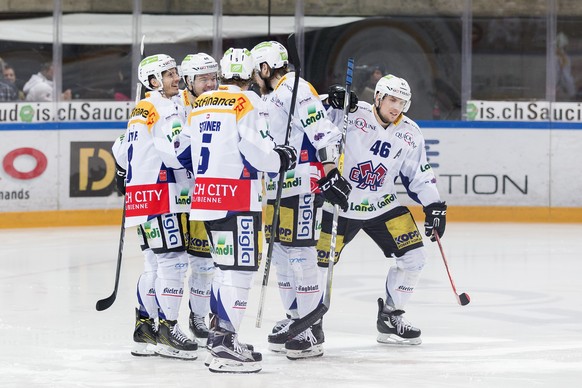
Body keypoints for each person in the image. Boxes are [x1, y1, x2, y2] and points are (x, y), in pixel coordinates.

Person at [175, 47, 297, 373]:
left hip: (205, 199)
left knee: (224, 269)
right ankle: (224, 343)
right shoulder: (247, 101)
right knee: (239, 272)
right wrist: (282, 158)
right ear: (249, 75)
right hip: (237, 198)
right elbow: (256, 151)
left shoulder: (200, 104)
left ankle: (220, 336)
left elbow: (181, 154)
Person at [316, 74, 447, 345]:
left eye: (402, 102)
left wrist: (433, 204)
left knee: (415, 257)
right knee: (319, 265)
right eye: (391, 99)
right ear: (377, 97)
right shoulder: (352, 112)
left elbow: (419, 174)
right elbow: (312, 118)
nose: (396, 107)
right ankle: (310, 320)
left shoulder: (410, 132)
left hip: (382, 205)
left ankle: (391, 316)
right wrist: (330, 99)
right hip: (339, 205)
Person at [251, 41, 351, 360]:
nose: (255, 77)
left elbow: (322, 131)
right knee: (280, 252)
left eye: (257, 71)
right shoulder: (276, 94)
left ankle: (312, 327)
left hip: (303, 184)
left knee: (301, 253)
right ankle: (296, 318)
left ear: (266, 68)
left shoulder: (295, 87)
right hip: (279, 185)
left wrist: (331, 171)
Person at [114, 53, 198, 360]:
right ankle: (168, 331)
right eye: (170, 74)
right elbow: (176, 155)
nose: (177, 78)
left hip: (141, 196)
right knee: (173, 264)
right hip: (162, 195)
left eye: (176, 72)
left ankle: (144, 329)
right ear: (153, 81)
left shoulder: (141, 108)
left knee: (154, 264)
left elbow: (121, 153)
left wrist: (123, 173)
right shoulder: (163, 109)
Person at [173, 52, 219, 341]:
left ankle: (198, 316)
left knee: (204, 263)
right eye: (203, 78)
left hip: (204, 198)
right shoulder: (174, 105)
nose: (211, 83)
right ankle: (163, 321)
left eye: (214, 77)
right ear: (188, 80)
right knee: (172, 264)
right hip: (175, 198)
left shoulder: (221, 104)